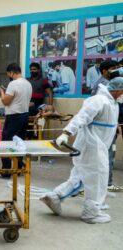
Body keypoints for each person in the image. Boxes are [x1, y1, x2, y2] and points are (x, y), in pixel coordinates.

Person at [40, 77, 123, 224]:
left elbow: (106, 120)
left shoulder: (112, 103)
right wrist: (66, 133)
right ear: (119, 90)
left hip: (98, 146)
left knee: (81, 175)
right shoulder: (99, 100)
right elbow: (81, 117)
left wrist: (116, 125)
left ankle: (55, 196)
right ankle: (90, 213)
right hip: (92, 146)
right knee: (97, 178)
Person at [0, 63, 32, 178]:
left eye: (9, 75)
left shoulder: (13, 83)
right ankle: (19, 169)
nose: (9, 77)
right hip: (24, 115)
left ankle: (5, 171)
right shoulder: (27, 83)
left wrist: (2, 92)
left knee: (6, 143)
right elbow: (18, 97)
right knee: (19, 143)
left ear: (11, 72)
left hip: (13, 117)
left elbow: (5, 102)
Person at [92, 60, 123, 192]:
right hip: (105, 127)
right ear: (105, 71)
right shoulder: (105, 85)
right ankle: (107, 183)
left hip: (108, 125)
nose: (116, 71)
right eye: (114, 68)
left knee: (107, 155)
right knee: (106, 155)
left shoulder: (105, 83)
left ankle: (105, 183)